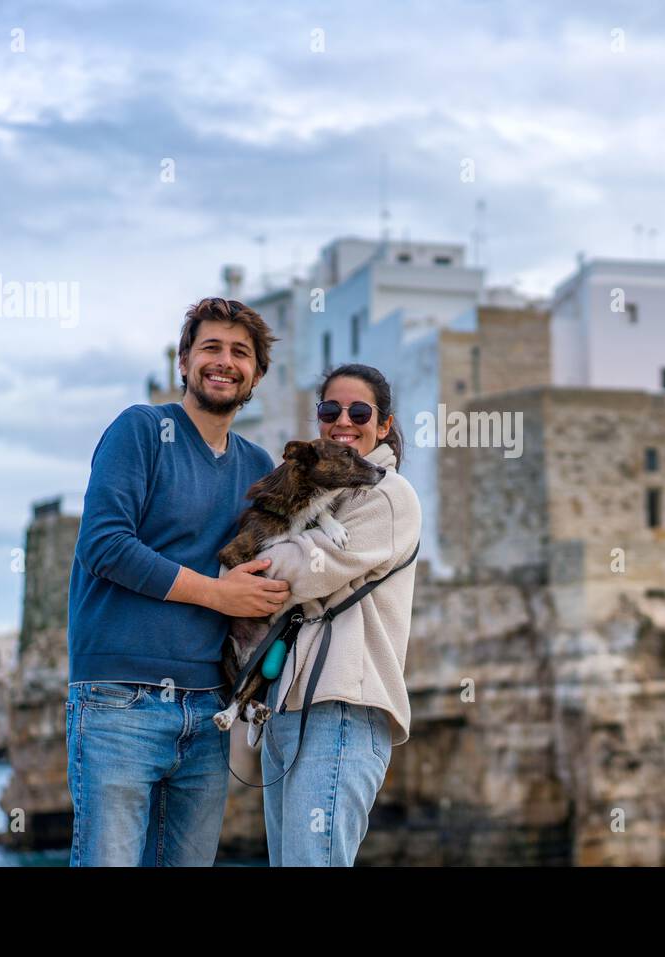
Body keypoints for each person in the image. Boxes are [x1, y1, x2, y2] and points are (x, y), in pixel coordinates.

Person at [64, 297, 291, 866]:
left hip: (209, 710)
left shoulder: (257, 465)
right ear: (184, 362)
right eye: (210, 347)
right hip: (119, 701)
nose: (225, 361)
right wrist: (218, 593)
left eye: (241, 353)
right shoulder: (139, 430)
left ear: (257, 375)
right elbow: (104, 545)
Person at [256, 363, 421, 866]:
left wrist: (256, 560)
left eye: (359, 411)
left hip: (344, 709)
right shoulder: (328, 494)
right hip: (288, 710)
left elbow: (304, 571)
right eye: (330, 409)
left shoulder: (387, 496)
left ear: (384, 424)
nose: (343, 420)